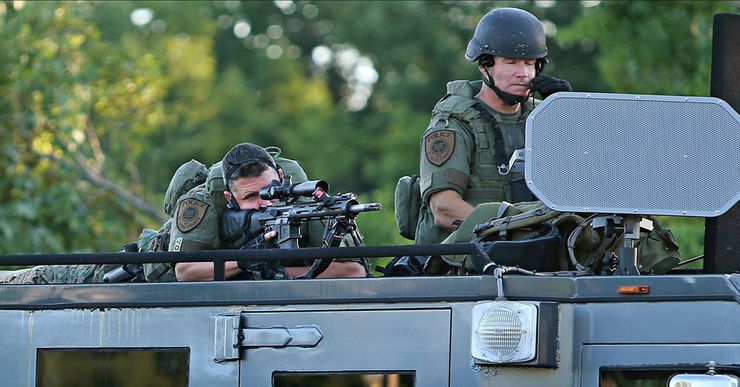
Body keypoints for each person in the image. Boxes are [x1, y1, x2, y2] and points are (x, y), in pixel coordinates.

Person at [414, 7, 573, 245]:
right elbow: (444, 209)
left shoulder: (545, 117)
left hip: (542, 251)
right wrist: (515, 233)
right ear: (485, 66)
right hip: (465, 260)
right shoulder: (454, 122)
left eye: (530, 63)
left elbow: (587, 186)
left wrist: (573, 116)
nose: (523, 73)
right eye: (511, 63)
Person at [171, 142, 368, 281]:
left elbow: (353, 270)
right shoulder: (202, 202)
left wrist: (276, 271)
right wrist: (245, 261)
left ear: (281, 177)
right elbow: (185, 271)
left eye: (269, 192)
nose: (264, 203)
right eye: (250, 197)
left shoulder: (306, 203)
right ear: (229, 197)